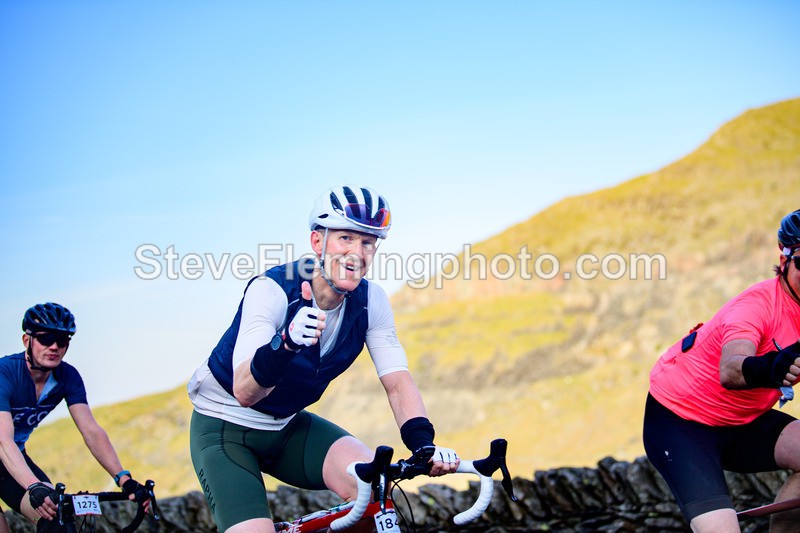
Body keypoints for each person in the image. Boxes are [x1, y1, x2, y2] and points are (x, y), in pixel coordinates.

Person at [189, 185, 460, 532]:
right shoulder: (271, 290)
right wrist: (284, 344)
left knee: (374, 487)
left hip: (286, 426)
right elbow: (244, 390)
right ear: (318, 243)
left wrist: (423, 444)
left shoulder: (371, 301)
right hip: (224, 428)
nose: (357, 253)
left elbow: (397, 382)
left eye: (367, 243)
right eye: (345, 238)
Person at [643, 209, 800, 533]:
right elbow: (730, 370)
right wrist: (772, 365)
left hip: (744, 422)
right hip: (681, 424)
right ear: (784, 260)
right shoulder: (756, 306)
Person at [0, 302, 150, 531]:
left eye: (62, 341)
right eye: (46, 338)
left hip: (11, 459)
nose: (54, 347)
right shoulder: (5, 373)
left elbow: (91, 431)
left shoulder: (67, 377)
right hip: (5, 449)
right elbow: (3, 440)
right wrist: (33, 486)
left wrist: (123, 478)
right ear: (26, 340)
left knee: (55, 515)